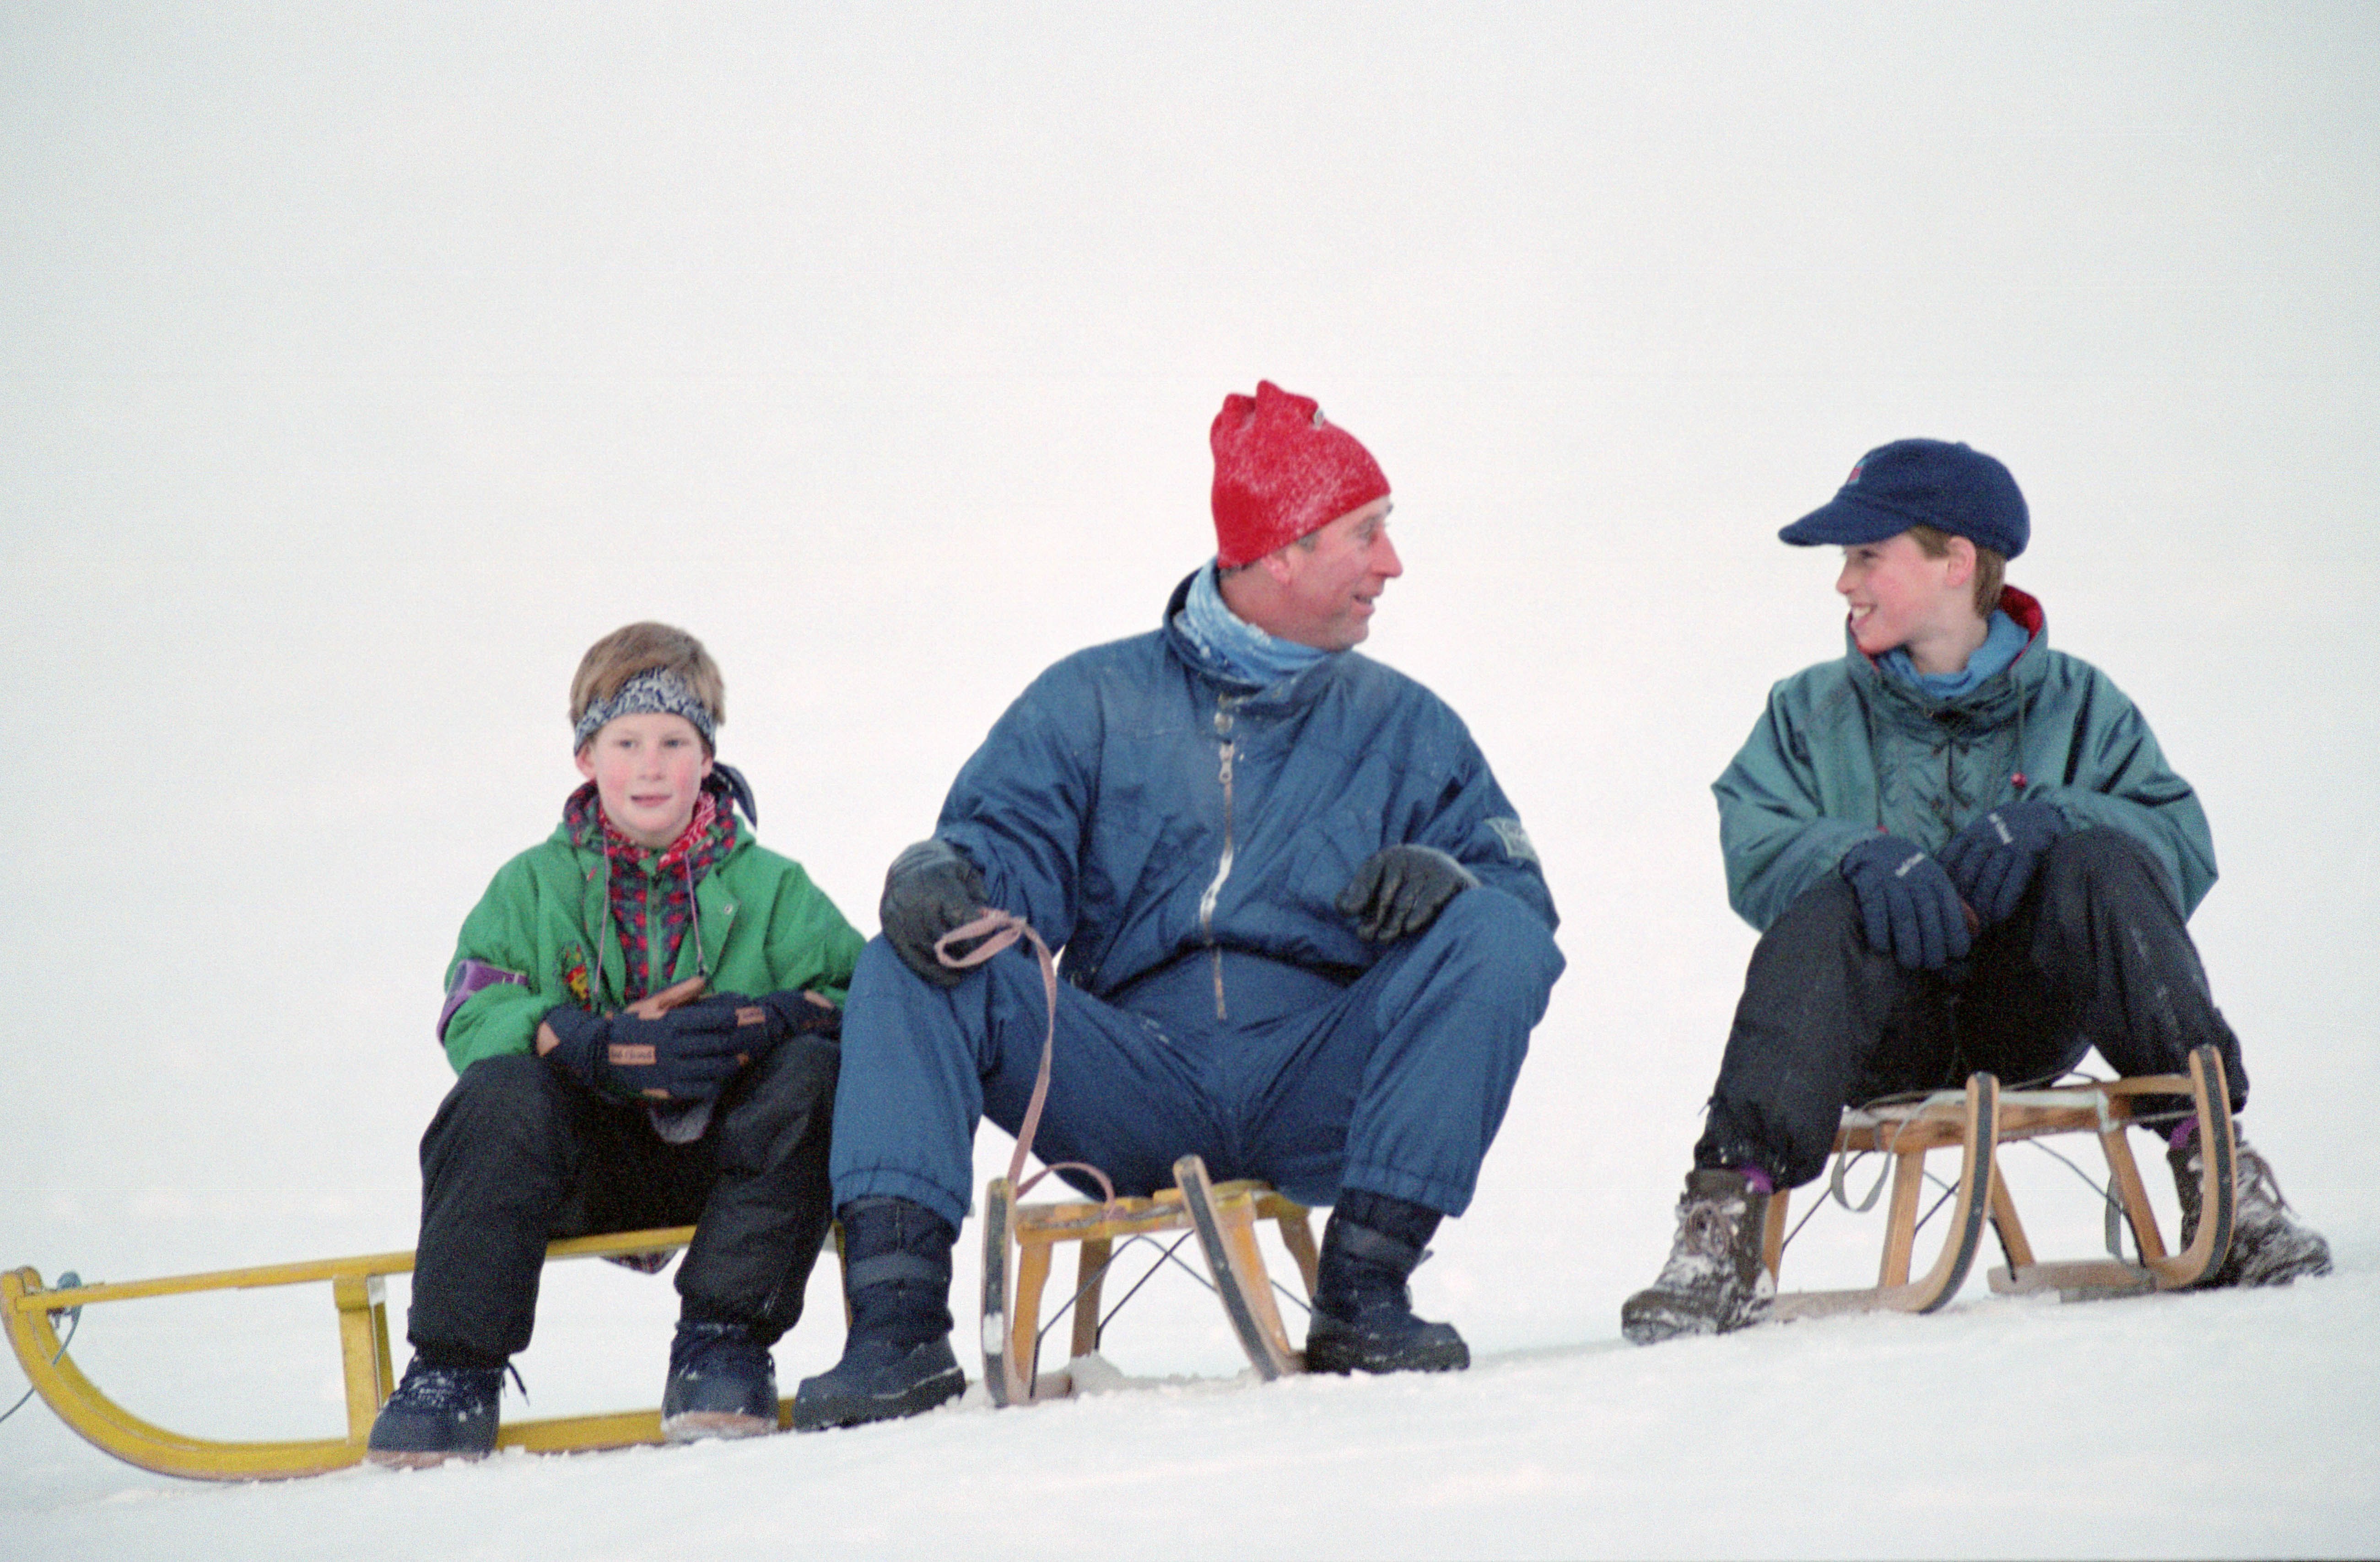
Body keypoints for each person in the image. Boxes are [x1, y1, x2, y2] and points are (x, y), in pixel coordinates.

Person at [792, 381, 1565, 1430]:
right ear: (1282, 550)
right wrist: (943, 870)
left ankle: (1367, 1291)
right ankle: (895, 1334)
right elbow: (1000, 856)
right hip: (1123, 1081)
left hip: (1319, 1071)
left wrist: (1457, 880)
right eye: (1367, 535)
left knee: (1498, 937)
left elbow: (1519, 905)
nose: (1392, 564)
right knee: (912, 959)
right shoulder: (1092, 701)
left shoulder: (1406, 725)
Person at [1622, 439, 2332, 1345]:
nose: (1844, 582)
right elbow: (1754, 840)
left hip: (2026, 1013)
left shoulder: (2081, 703)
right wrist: (1856, 854)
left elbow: (2179, 841)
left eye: (1866, 556)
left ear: (1956, 562)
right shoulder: (1806, 710)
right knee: (1834, 899)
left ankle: (2221, 1177)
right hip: (1880, 1028)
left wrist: (2062, 819)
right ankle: (1720, 1224)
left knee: (2100, 858)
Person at [366, 623, 864, 1465]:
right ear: (585, 756)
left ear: (707, 757)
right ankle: (452, 1371)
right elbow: (470, 1008)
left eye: (675, 741)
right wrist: (576, 1039)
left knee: (816, 1075)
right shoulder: (532, 884)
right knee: (495, 1096)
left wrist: (767, 1021)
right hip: (586, 1162)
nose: (650, 764)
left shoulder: (773, 887)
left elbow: (863, 997)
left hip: (725, 1168)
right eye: (625, 741)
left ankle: (722, 1343)